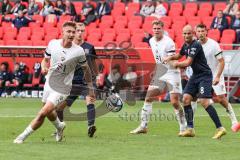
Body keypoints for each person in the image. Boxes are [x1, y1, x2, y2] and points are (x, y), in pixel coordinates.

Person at [13, 21, 94, 144]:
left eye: (74, 32)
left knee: (43, 112)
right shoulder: (53, 44)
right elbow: (45, 60)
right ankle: (60, 127)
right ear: (62, 32)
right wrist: (44, 67)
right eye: (69, 31)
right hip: (49, 83)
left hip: (63, 87)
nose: (72, 34)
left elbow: (86, 70)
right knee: (49, 111)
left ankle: (22, 137)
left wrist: (90, 87)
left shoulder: (78, 51)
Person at [163, 25, 226, 139]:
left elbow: (187, 62)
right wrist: (170, 58)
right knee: (186, 99)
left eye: (188, 33)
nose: (186, 35)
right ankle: (190, 129)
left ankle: (220, 128)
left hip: (204, 76)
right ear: (182, 34)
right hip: (195, 75)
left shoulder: (195, 45)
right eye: (184, 33)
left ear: (193, 33)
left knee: (204, 101)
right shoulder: (186, 44)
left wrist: (176, 64)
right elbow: (179, 55)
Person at [130, 20, 187, 136]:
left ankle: (183, 127)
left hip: (172, 72)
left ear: (163, 29)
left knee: (175, 102)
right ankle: (143, 126)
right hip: (160, 71)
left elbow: (174, 59)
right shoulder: (151, 40)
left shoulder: (169, 42)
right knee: (148, 97)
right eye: (154, 28)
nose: (156, 30)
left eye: (158, 28)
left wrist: (178, 67)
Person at [55, 23, 98, 138]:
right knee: (59, 107)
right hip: (72, 81)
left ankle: (91, 126)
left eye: (82, 30)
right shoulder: (68, 48)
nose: (80, 33)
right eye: (77, 30)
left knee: (90, 101)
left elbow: (94, 64)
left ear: (85, 32)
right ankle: (59, 128)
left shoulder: (90, 47)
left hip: (87, 81)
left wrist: (96, 78)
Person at [195, 23, 240, 132]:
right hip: (203, 76)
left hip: (215, 74)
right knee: (195, 98)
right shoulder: (195, 45)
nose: (201, 33)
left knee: (221, 99)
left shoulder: (213, 45)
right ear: (196, 33)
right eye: (199, 31)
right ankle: (189, 125)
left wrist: (218, 76)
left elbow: (221, 61)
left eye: (202, 31)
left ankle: (234, 120)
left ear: (206, 32)